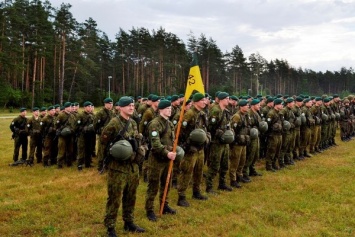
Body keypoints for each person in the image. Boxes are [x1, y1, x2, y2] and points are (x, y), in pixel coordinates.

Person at [101, 96, 145, 236]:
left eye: (132, 105)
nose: (131, 107)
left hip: (132, 167)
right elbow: (103, 140)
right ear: (120, 107)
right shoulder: (114, 123)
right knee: (115, 197)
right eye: (128, 105)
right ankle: (110, 227)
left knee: (131, 196)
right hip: (118, 167)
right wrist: (115, 150)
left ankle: (129, 222)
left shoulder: (133, 123)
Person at [145, 99, 177, 222]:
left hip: (168, 159)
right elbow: (155, 144)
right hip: (157, 159)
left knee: (166, 183)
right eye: (167, 109)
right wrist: (167, 153)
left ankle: (165, 204)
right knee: (153, 185)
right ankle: (149, 209)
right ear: (160, 110)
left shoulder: (170, 123)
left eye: (170, 109)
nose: (169, 110)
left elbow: (172, 140)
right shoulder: (155, 124)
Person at [177, 93, 209, 207]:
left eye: (205, 100)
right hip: (190, 149)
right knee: (187, 172)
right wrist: (186, 144)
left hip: (200, 148)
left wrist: (207, 138)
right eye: (202, 100)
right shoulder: (189, 114)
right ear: (196, 102)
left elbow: (205, 129)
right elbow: (179, 130)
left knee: (199, 171)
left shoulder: (202, 114)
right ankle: (181, 196)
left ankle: (197, 192)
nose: (204, 102)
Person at [205, 92, 233, 193]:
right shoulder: (215, 111)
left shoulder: (226, 111)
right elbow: (210, 127)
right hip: (216, 142)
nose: (228, 100)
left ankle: (222, 183)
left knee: (225, 164)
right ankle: (209, 186)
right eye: (226, 98)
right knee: (215, 165)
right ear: (221, 99)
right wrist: (219, 133)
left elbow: (228, 125)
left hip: (225, 142)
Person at [229, 99, 250, 188]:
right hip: (237, 143)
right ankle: (233, 180)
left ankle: (239, 176)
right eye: (246, 105)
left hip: (243, 141)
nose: (248, 107)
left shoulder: (245, 115)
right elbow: (232, 129)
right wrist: (235, 140)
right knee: (235, 162)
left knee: (242, 160)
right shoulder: (237, 116)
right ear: (241, 107)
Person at [94, 98, 114, 172]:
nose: (111, 105)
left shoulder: (112, 112)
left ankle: (107, 165)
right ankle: (100, 167)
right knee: (101, 150)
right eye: (109, 103)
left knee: (109, 150)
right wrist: (99, 131)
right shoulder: (100, 113)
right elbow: (95, 124)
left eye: (111, 103)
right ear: (105, 104)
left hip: (111, 134)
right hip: (102, 134)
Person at [55, 102, 75, 168]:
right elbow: (56, 124)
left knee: (70, 150)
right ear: (66, 107)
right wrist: (60, 131)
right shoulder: (61, 115)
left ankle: (69, 163)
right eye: (69, 107)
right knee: (61, 150)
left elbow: (74, 125)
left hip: (70, 135)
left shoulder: (72, 116)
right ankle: (59, 164)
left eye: (71, 107)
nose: (70, 108)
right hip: (62, 136)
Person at [76, 101, 96, 170]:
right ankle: (80, 165)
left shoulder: (93, 115)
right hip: (82, 135)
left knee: (89, 149)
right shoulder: (80, 115)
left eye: (90, 106)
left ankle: (88, 163)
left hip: (90, 135)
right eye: (88, 106)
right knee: (81, 149)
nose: (90, 108)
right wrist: (84, 128)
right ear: (84, 107)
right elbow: (76, 126)